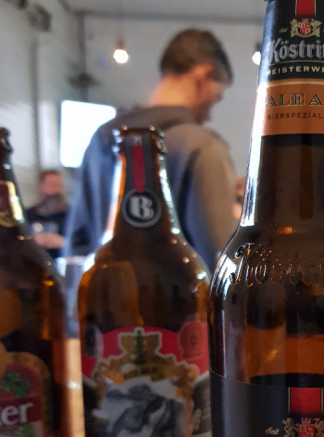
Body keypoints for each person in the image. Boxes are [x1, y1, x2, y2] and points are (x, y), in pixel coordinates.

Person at [65, 29, 237, 271]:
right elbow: (221, 262)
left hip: (102, 292)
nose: (209, 115)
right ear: (203, 74)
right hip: (177, 295)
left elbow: (76, 247)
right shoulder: (202, 147)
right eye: (216, 97)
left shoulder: (100, 138)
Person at [25, 169, 69, 260]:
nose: (56, 191)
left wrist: (64, 243)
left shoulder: (71, 216)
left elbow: (86, 245)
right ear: (41, 187)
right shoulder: (27, 216)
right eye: (52, 185)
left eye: (59, 185)